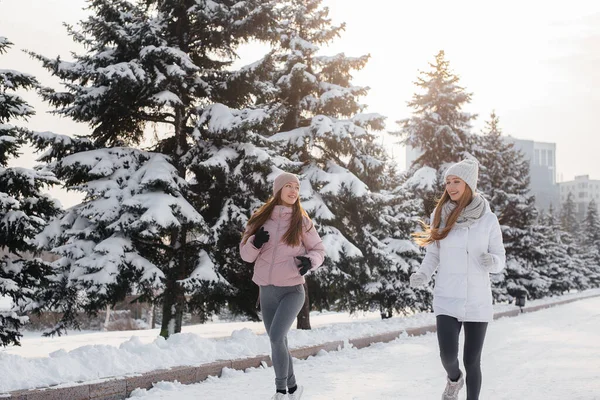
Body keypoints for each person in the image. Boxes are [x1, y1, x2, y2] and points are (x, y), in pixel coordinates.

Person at [409, 159, 506, 400]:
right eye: (448, 182)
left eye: (456, 182)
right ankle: (454, 380)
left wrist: (492, 262)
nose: (451, 187)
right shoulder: (440, 215)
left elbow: (500, 257)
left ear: (469, 184)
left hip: (477, 300)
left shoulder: (488, 220)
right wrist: (423, 273)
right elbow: (434, 253)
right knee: (448, 357)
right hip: (447, 297)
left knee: (472, 360)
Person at [240, 172, 325, 400]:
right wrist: (254, 243)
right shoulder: (259, 219)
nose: (293, 191)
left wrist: (310, 262)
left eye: (296, 187)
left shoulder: (302, 222)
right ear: (278, 189)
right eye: (288, 186)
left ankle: (279, 391)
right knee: (279, 341)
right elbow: (246, 256)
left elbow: (319, 250)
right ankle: (295, 389)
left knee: (277, 337)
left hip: (292, 290)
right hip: (266, 290)